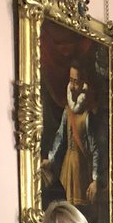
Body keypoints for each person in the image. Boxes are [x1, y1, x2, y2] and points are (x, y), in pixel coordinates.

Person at [41, 62, 100, 209]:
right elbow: (60, 137)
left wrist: (95, 180)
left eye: (76, 82)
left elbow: (95, 149)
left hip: (82, 172)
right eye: (71, 81)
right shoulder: (67, 111)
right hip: (67, 168)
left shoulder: (88, 114)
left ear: (83, 84)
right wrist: (51, 159)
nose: (73, 86)